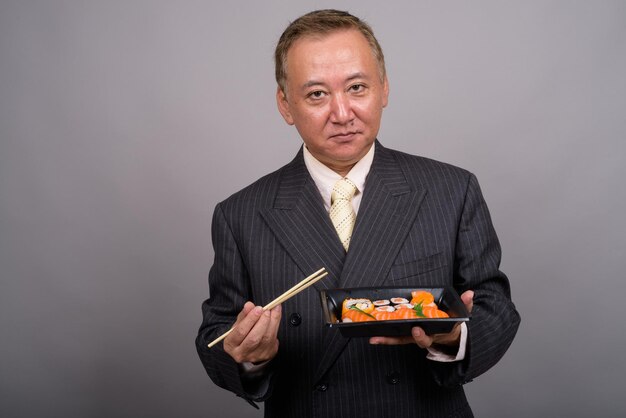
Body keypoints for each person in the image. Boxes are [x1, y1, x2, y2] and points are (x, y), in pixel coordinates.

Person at [196, 9, 520, 417]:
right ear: (285, 105)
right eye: (316, 94)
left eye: (357, 87)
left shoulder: (451, 190)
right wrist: (249, 356)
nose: (342, 113)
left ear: (383, 89)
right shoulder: (241, 214)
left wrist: (454, 338)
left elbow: (497, 308)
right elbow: (216, 335)